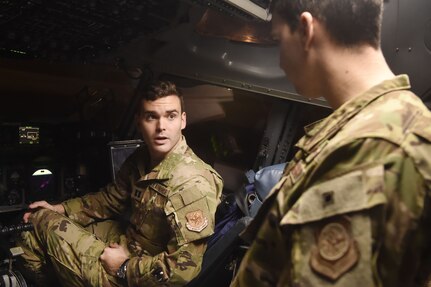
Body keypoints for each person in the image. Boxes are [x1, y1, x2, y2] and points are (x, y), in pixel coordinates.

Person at [231, 0, 431, 286]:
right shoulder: (361, 130)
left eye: (278, 40)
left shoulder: (377, 148)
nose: (280, 60)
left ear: (305, 30)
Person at [16, 81, 223, 287]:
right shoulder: (141, 157)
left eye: (171, 116)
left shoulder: (193, 183)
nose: (161, 127)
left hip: (136, 275)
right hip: (129, 242)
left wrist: (125, 267)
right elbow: (109, 200)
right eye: (152, 117)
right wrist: (59, 208)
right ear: (139, 122)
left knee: (40, 219)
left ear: (183, 121)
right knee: (29, 233)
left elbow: (182, 270)